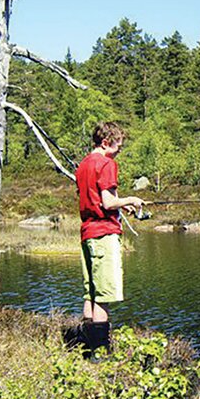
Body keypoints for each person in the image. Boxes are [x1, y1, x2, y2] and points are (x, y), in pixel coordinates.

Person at [74, 121, 145, 356]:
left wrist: (120, 206)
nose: (119, 152)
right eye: (118, 146)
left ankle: (84, 348)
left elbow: (96, 199)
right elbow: (107, 202)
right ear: (106, 142)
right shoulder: (106, 163)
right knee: (103, 296)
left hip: (88, 233)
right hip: (104, 233)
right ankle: (100, 356)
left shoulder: (83, 165)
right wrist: (131, 200)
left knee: (90, 293)